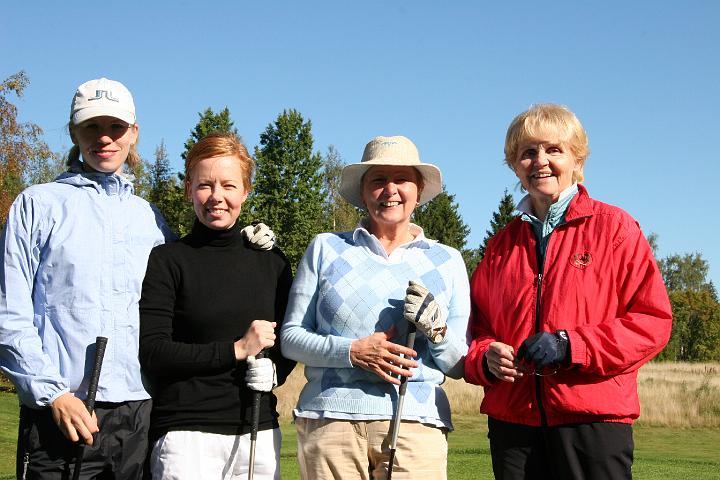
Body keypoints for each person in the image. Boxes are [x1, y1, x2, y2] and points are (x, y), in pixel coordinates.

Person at [464, 104, 672, 480]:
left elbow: (651, 322)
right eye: (528, 152)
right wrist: (486, 357)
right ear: (514, 165)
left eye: (553, 149)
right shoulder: (500, 246)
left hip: (592, 423)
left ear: (577, 159)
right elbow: (477, 330)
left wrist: (570, 345)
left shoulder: (615, 229)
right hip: (513, 427)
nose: (540, 161)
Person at [0, 77, 175, 479]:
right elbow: (9, 315)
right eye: (92, 126)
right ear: (73, 132)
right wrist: (53, 395)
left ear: (134, 132)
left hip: (139, 413)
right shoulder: (37, 205)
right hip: (62, 412)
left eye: (116, 127)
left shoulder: (151, 220)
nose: (104, 138)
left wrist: (250, 247)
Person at [280, 135, 470, 480]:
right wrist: (352, 352)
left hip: (415, 423)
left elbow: (458, 365)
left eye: (402, 179)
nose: (390, 190)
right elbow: (291, 339)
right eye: (378, 180)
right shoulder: (326, 248)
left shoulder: (447, 260)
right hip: (330, 420)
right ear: (364, 190)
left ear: (419, 189)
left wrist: (438, 330)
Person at [139, 132, 295, 480]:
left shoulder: (272, 263)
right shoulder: (168, 260)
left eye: (229, 185)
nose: (216, 196)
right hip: (186, 436)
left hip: (257, 430)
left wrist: (276, 372)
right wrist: (236, 350)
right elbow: (154, 352)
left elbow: (289, 339)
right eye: (205, 185)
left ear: (245, 191)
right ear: (189, 189)